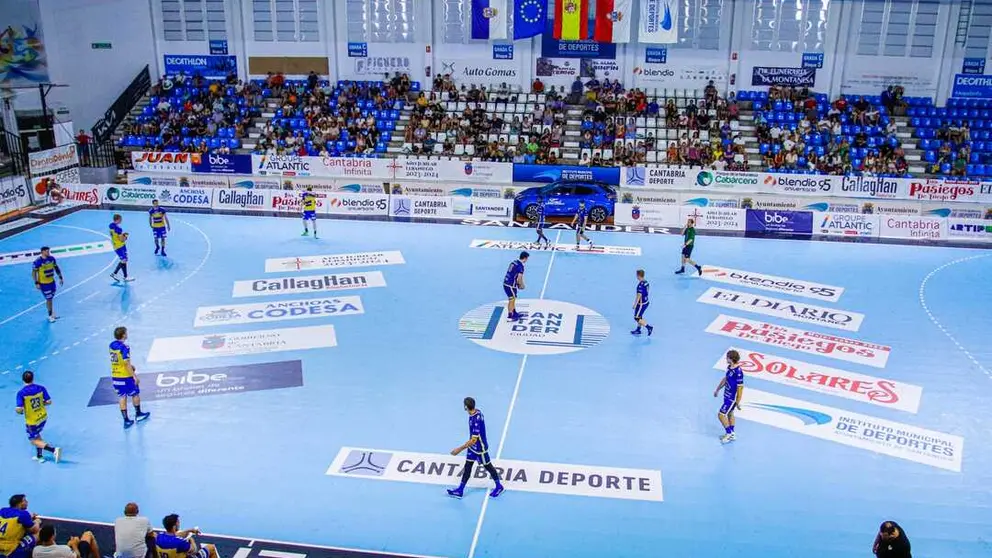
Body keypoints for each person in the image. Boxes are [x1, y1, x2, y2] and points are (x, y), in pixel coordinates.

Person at [447, 397, 504, 499]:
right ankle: (460, 490)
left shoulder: (476, 419)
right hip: (472, 447)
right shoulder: (475, 413)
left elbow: (474, 440)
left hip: (480, 449)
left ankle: (499, 486)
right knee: (468, 467)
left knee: (488, 467)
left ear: (465, 407)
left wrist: (459, 449)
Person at [15, 371, 61, 463]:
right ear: (33, 378)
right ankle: (39, 456)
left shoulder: (21, 393)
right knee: (37, 436)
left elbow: (19, 409)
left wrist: (19, 411)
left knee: (33, 440)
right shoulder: (41, 388)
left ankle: (53, 450)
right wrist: (41, 403)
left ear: (23, 380)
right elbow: (49, 402)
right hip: (43, 417)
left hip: (32, 421)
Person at [110, 326, 150, 428]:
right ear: (123, 335)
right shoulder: (125, 347)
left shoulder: (111, 345)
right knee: (135, 393)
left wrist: (130, 366)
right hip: (125, 376)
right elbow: (126, 363)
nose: (127, 334)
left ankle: (126, 420)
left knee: (122, 396)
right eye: (126, 332)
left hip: (115, 375)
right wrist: (134, 376)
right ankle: (138, 414)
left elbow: (119, 360)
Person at [713, 349, 744, 444]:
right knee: (730, 413)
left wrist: (738, 401)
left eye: (727, 357)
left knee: (721, 415)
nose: (726, 358)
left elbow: (740, 388)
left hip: (732, 398)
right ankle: (732, 433)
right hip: (727, 395)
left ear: (731, 359)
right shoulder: (729, 367)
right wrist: (718, 389)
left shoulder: (738, 371)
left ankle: (729, 433)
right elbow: (726, 379)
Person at [154, 514, 218, 558]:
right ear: (174, 527)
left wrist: (188, 531)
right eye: (178, 522)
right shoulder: (180, 543)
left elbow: (174, 536)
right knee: (210, 547)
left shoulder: (158, 537)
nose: (179, 524)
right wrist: (191, 539)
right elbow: (194, 550)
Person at [32, 247, 63, 323]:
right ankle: (50, 316)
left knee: (51, 298)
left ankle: (52, 313)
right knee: (49, 299)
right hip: (44, 284)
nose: (48, 252)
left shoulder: (52, 259)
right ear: (42, 252)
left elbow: (56, 268)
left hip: (52, 282)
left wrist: (60, 277)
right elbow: (34, 273)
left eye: (48, 251)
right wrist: (36, 282)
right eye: (47, 251)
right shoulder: (38, 262)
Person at [32, 524, 98, 558]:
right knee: (88, 534)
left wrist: (68, 545)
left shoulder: (35, 551)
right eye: (55, 532)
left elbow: (55, 550)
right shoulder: (64, 550)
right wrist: (74, 545)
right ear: (52, 537)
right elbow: (78, 556)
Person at [503, 251, 528, 322]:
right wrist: (521, 285)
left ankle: (514, 312)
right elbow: (519, 278)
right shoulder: (521, 267)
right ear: (525, 258)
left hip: (507, 282)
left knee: (513, 298)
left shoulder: (514, 262)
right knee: (511, 299)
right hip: (510, 285)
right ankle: (510, 316)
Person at [109, 214, 134, 283]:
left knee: (124, 260)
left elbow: (116, 235)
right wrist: (125, 236)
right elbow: (122, 239)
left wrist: (122, 235)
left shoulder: (111, 225)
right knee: (123, 260)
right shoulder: (118, 229)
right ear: (119, 219)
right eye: (121, 219)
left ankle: (125, 276)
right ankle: (115, 274)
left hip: (116, 245)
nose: (121, 220)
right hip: (120, 246)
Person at [631, 270, 653, 336]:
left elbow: (639, 295)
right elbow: (648, 290)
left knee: (637, 317)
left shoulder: (640, 286)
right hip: (646, 301)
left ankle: (649, 327)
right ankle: (638, 329)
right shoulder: (646, 282)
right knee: (640, 316)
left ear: (638, 276)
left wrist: (635, 304)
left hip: (641, 304)